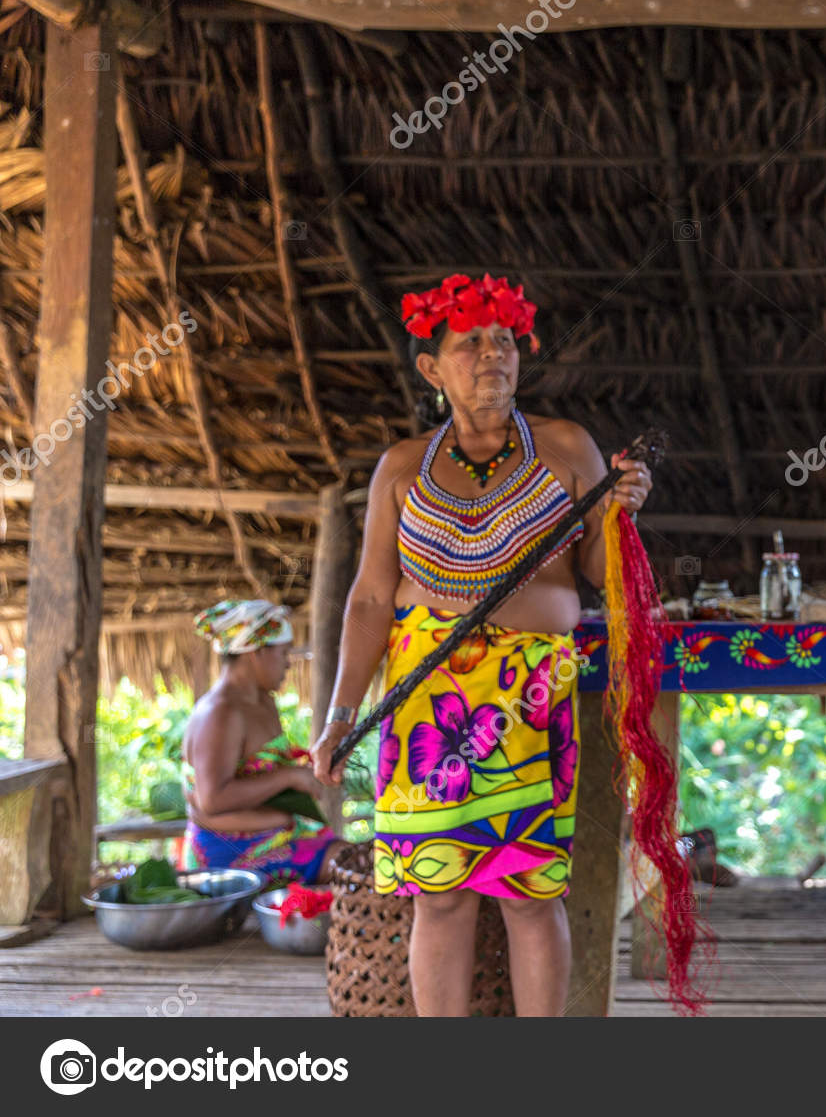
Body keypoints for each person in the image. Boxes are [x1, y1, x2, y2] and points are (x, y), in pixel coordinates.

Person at [309, 273, 653, 1017]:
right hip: (426, 704)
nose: (492, 354)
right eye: (470, 344)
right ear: (433, 369)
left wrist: (621, 514)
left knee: (531, 895)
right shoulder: (400, 467)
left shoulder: (566, 448)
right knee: (439, 896)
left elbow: (598, 573)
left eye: (503, 341)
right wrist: (339, 713)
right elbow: (371, 598)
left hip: (531, 698)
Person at [182, 600, 339, 889]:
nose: (288, 662)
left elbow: (259, 769)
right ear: (257, 652)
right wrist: (289, 776)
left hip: (277, 836)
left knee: (363, 859)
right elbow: (210, 800)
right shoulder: (220, 713)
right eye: (283, 653)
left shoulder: (263, 701)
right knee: (356, 864)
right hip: (232, 855)